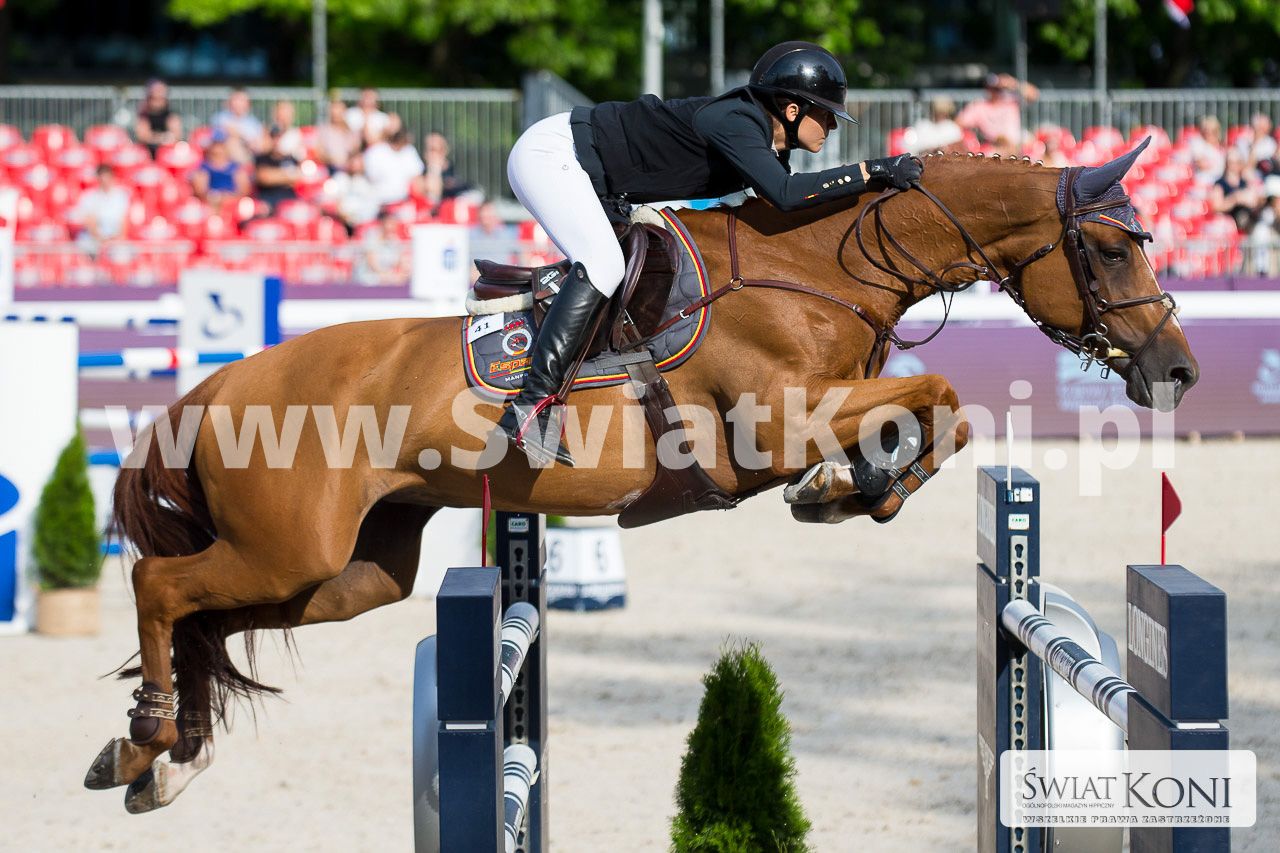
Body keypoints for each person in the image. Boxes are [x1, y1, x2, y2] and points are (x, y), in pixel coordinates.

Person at [497, 40, 922, 466]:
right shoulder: (737, 121)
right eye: (827, 115)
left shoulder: (761, 141)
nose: (832, 126)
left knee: (630, 270)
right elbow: (787, 195)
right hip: (554, 155)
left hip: (595, 179)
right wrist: (872, 171)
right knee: (604, 265)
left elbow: (787, 209)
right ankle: (531, 406)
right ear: (793, 110)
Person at [956, 73, 1037, 152]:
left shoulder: (1011, 101)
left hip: (1017, 144)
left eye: (999, 89)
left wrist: (1014, 84)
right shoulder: (979, 106)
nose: (997, 92)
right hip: (994, 147)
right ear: (987, 88)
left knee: (1035, 146)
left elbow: (1033, 95)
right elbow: (959, 122)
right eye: (994, 89)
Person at [68, 165, 130, 253]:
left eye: (107, 178)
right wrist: (102, 240)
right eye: (102, 179)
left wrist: (117, 239)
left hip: (114, 239)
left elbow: (123, 222)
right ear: (98, 179)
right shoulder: (89, 197)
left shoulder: (121, 196)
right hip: (93, 239)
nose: (105, 182)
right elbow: (90, 222)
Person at [361, 127, 424, 208]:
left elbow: (417, 176)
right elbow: (371, 177)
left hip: (404, 201)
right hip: (378, 202)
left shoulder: (409, 150)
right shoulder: (376, 151)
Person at [191, 130, 251, 210]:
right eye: (215, 144)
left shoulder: (236, 168)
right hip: (209, 206)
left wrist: (227, 198)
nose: (218, 149)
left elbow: (244, 191)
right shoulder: (203, 167)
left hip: (233, 205)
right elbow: (200, 191)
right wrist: (215, 198)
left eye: (221, 145)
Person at [1211, 148, 1263, 234]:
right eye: (1231, 162)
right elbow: (1217, 207)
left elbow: (1257, 201)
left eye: (1238, 162)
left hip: (1247, 219)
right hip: (1229, 222)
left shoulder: (1245, 181)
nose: (1234, 165)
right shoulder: (1220, 183)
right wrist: (1234, 199)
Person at [355, 210, 411, 285]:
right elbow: (372, 264)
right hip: (369, 278)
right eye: (389, 223)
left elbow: (400, 262)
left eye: (394, 223)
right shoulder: (372, 238)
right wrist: (387, 276)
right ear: (382, 224)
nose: (392, 227)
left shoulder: (395, 241)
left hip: (386, 278)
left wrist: (402, 273)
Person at [253, 127, 301, 213]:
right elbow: (265, 178)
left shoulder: (292, 158)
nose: (276, 141)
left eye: (279, 137)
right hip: (268, 200)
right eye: (273, 138)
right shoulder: (262, 158)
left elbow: (298, 178)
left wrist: (274, 174)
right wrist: (288, 176)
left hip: (289, 199)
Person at [211, 87, 265, 162]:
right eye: (236, 99)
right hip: (223, 154)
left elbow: (257, 145)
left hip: (247, 154)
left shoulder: (253, 123)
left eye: (241, 100)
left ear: (248, 103)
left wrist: (239, 135)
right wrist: (242, 137)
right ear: (230, 102)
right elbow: (217, 136)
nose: (238, 103)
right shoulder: (220, 118)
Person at [422, 131, 473, 207]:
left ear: (445, 150)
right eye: (430, 149)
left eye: (438, 149)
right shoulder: (420, 172)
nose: (433, 154)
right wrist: (434, 169)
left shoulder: (457, 170)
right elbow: (432, 196)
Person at [134, 78, 183, 158]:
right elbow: (142, 136)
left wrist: (153, 137)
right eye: (155, 97)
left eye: (161, 93)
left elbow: (177, 136)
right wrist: (164, 138)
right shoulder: (144, 116)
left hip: (168, 155)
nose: (158, 95)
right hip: (147, 154)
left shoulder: (171, 116)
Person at [317, 99, 360, 174]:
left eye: (338, 110)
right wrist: (332, 159)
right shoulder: (324, 131)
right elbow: (319, 153)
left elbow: (355, 151)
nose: (336, 113)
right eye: (333, 110)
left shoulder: (351, 132)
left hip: (349, 169)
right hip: (332, 170)